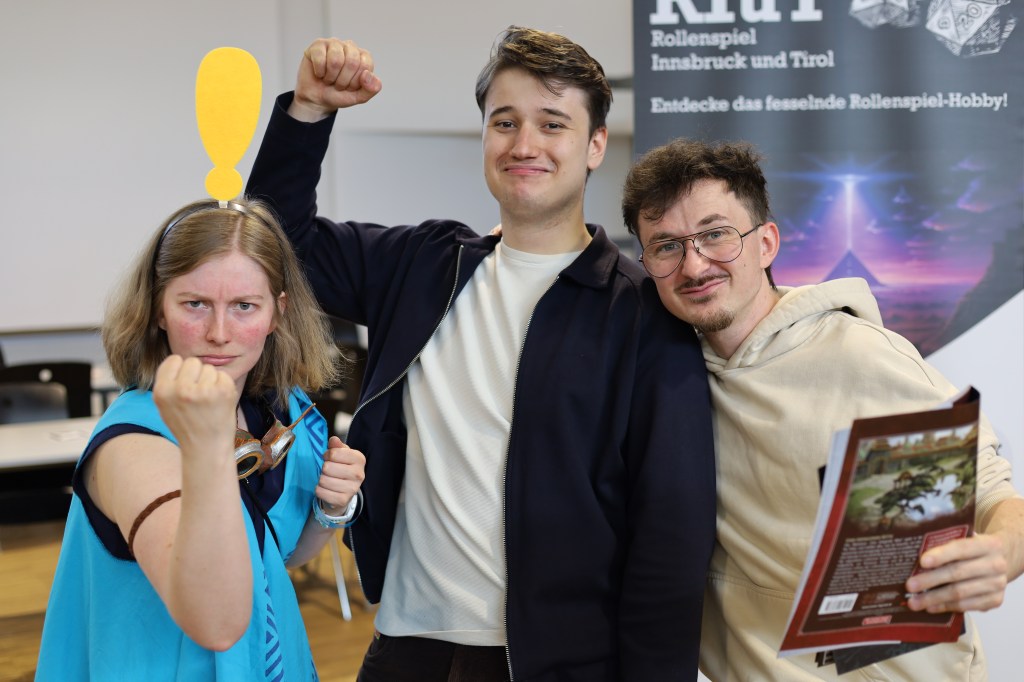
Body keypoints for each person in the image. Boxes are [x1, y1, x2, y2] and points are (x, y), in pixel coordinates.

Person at [245, 28, 716, 682]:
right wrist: (309, 111)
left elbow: (670, 535)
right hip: (404, 646)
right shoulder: (424, 266)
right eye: (505, 122)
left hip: (558, 663)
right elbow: (273, 246)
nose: (524, 144)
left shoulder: (640, 313)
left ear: (595, 145)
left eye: (553, 123)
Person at [621, 137, 1024, 680]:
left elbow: (991, 492)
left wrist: (999, 553)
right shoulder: (664, 381)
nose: (694, 265)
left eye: (716, 235)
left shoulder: (858, 356)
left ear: (766, 243)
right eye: (667, 246)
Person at [36, 198, 367, 680]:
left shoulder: (272, 410)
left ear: (277, 313)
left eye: (244, 306)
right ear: (158, 310)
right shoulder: (132, 445)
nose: (219, 333)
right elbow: (216, 624)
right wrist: (209, 448)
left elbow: (278, 556)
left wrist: (330, 507)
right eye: (195, 304)